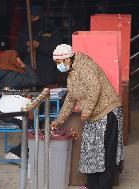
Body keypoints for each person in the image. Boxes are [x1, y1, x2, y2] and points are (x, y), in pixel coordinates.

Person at [51, 44, 124, 189]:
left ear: (68, 59)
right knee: (91, 151)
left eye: (60, 62)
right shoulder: (71, 74)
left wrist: (86, 111)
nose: (59, 66)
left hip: (107, 112)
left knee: (105, 153)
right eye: (57, 63)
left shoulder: (85, 66)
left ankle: (103, 186)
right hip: (93, 115)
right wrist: (58, 121)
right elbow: (70, 99)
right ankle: (92, 185)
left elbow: (95, 87)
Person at [0, 50, 38, 159]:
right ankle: (16, 153)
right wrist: (25, 66)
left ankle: (22, 151)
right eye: (16, 58)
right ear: (10, 60)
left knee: (32, 122)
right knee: (34, 125)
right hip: (12, 113)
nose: (18, 60)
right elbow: (35, 80)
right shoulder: (12, 75)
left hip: (2, 111)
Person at [16, 6, 61, 87]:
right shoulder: (24, 32)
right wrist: (26, 45)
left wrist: (40, 45)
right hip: (28, 74)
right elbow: (17, 52)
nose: (32, 20)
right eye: (30, 18)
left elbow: (57, 50)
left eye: (35, 17)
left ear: (41, 17)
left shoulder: (52, 30)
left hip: (47, 74)